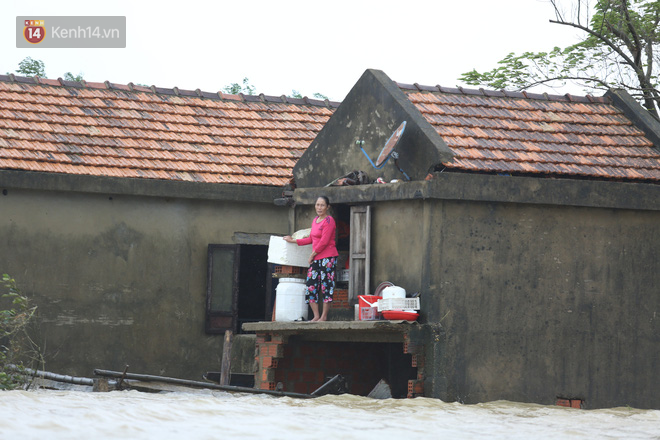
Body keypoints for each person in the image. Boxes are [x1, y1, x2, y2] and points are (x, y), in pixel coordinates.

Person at [283, 196, 338, 322]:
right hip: (317, 258)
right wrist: (294, 241)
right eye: (317, 205)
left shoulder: (329, 220)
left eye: (322, 205)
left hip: (328, 257)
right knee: (311, 286)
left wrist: (312, 254)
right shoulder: (315, 220)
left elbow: (324, 241)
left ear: (327, 207)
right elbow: (311, 239)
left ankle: (324, 316)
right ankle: (316, 315)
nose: (319, 207)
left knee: (326, 286)